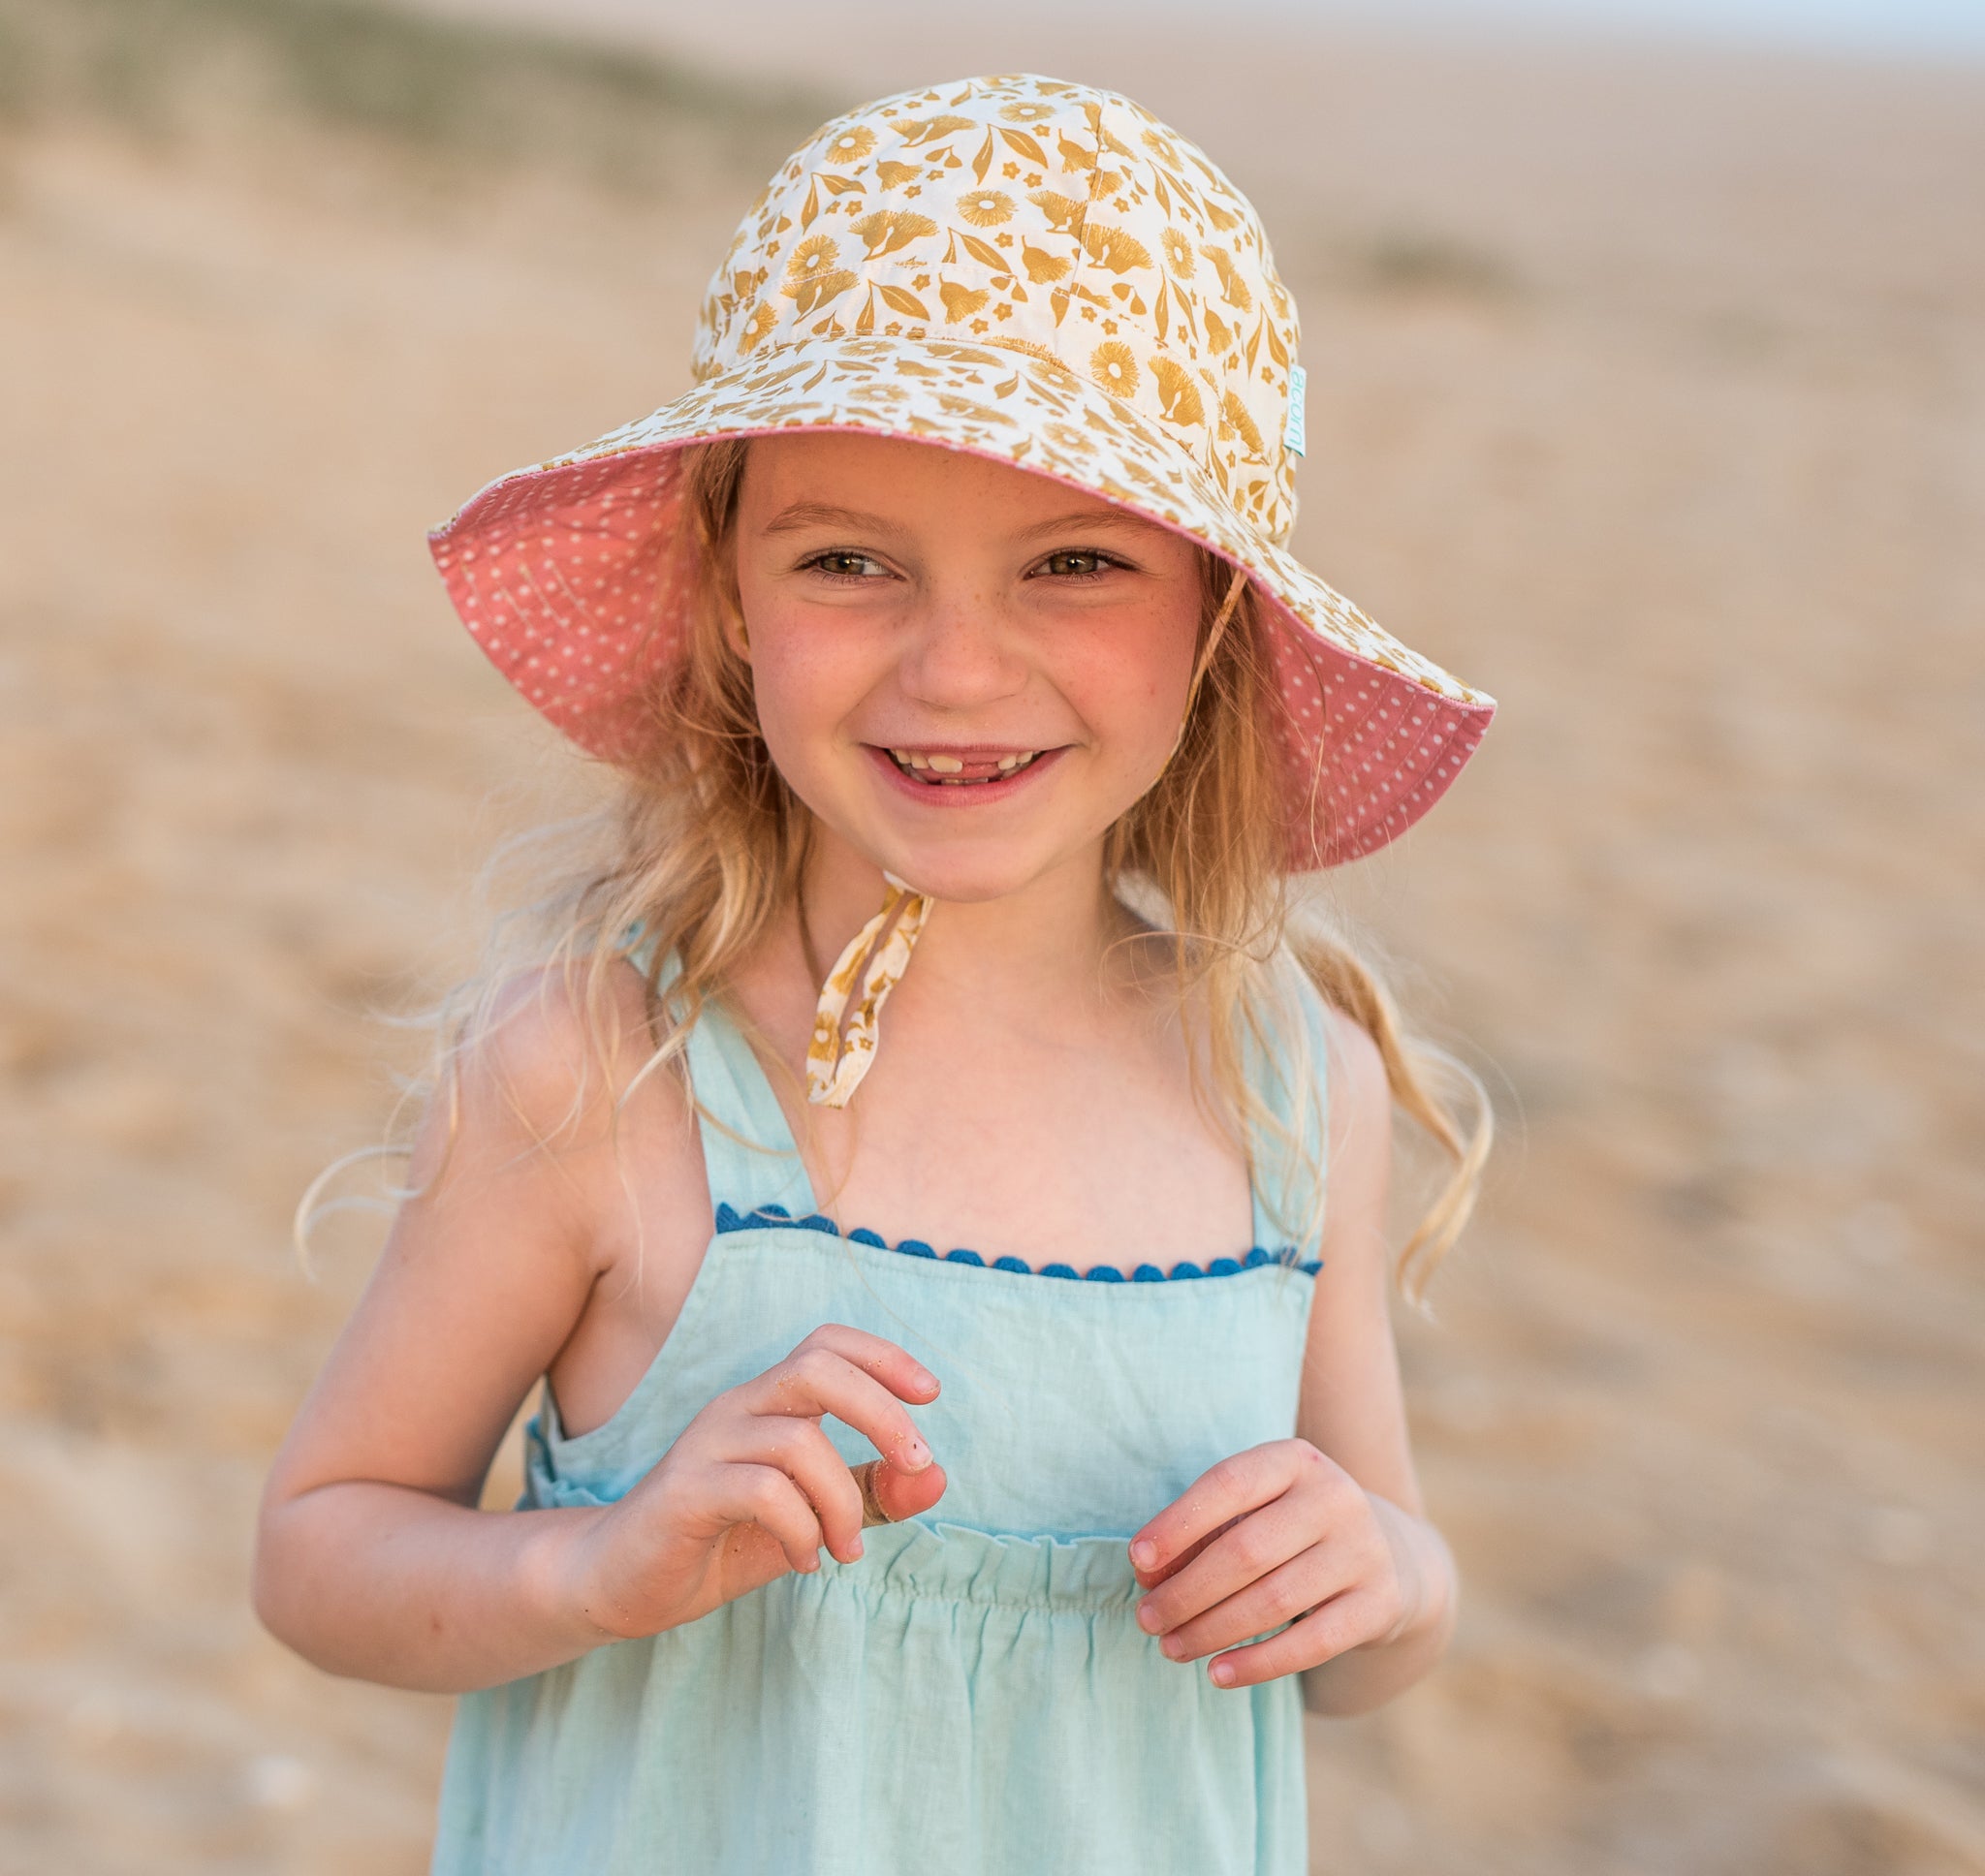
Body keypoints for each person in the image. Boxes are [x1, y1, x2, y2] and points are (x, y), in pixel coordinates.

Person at [253, 72, 1497, 1875]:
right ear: (729, 593)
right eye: (849, 562)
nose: (957, 671)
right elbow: (323, 1550)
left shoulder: (1292, 1087)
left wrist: (1386, 1580)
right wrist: (592, 1569)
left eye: (1078, 564)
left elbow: (1370, 1645)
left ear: (1219, 614)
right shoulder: (599, 1069)